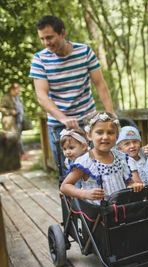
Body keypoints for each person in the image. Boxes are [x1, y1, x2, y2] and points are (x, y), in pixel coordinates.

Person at [29, 15, 114, 172]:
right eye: (42, 39)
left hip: (87, 123)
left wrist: (110, 115)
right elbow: (41, 95)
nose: (46, 43)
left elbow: (100, 85)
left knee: (95, 170)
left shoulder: (85, 52)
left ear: (62, 33)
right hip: (58, 126)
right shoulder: (39, 59)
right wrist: (63, 118)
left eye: (49, 37)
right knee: (68, 175)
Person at [60, 112, 144, 204]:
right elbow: (65, 186)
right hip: (98, 212)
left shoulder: (121, 157)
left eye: (110, 133)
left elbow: (128, 181)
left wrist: (133, 185)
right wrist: (84, 193)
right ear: (89, 135)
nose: (105, 137)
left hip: (121, 208)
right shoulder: (85, 162)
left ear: (117, 137)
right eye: (99, 132)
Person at [0, 83, 28, 160]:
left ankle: (19, 155)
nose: (19, 91)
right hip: (10, 122)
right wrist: (11, 112)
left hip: (19, 120)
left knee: (18, 137)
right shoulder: (6, 97)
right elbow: (1, 108)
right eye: (17, 89)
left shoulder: (17, 97)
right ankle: (20, 155)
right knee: (13, 138)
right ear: (12, 89)